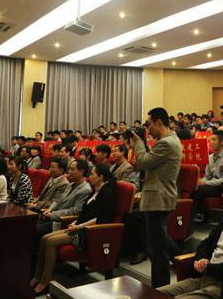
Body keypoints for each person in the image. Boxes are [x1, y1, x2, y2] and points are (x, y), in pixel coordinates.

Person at [31, 163, 116, 295]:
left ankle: (45, 282)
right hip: (79, 228)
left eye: (92, 174)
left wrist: (78, 226)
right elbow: (83, 214)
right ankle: (37, 276)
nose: (89, 177)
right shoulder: (95, 191)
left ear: (101, 177)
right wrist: (75, 222)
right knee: (44, 238)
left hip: (88, 234)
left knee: (50, 242)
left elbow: (100, 219)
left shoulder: (107, 194)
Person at [131, 107, 182, 288]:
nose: (148, 129)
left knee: (158, 252)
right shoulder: (167, 141)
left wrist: (138, 142)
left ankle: (160, 290)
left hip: (158, 199)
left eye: (149, 124)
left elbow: (142, 162)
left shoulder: (167, 143)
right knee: (160, 243)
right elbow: (151, 160)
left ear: (159, 122)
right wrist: (143, 142)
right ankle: (184, 261)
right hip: (158, 198)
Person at [38, 159, 92, 235]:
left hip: (62, 223)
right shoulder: (71, 184)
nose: (69, 172)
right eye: (69, 169)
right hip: (53, 217)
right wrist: (50, 209)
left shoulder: (85, 190)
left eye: (72, 169)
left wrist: (53, 214)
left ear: (81, 172)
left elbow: (74, 212)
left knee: (34, 229)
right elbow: (58, 200)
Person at [192, 130, 223, 222]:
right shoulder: (210, 157)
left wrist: (205, 182)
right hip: (211, 185)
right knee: (194, 187)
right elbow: (207, 176)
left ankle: (192, 217)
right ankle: (193, 217)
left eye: (214, 140)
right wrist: (201, 181)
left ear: (222, 142)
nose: (211, 142)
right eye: (210, 139)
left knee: (198, 189)